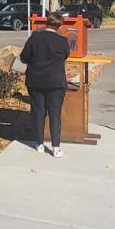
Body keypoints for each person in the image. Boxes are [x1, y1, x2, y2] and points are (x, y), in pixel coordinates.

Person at [19, 11, 71, 157]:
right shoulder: (62, 41)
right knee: (55, 114)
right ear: (59, 26)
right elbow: (66, 55)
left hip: (35, 81)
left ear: (46, 23)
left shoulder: (35, 37)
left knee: (38, 112)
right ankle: (56, 147)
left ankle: (39, 143)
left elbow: (24, 57)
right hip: (55, 82)